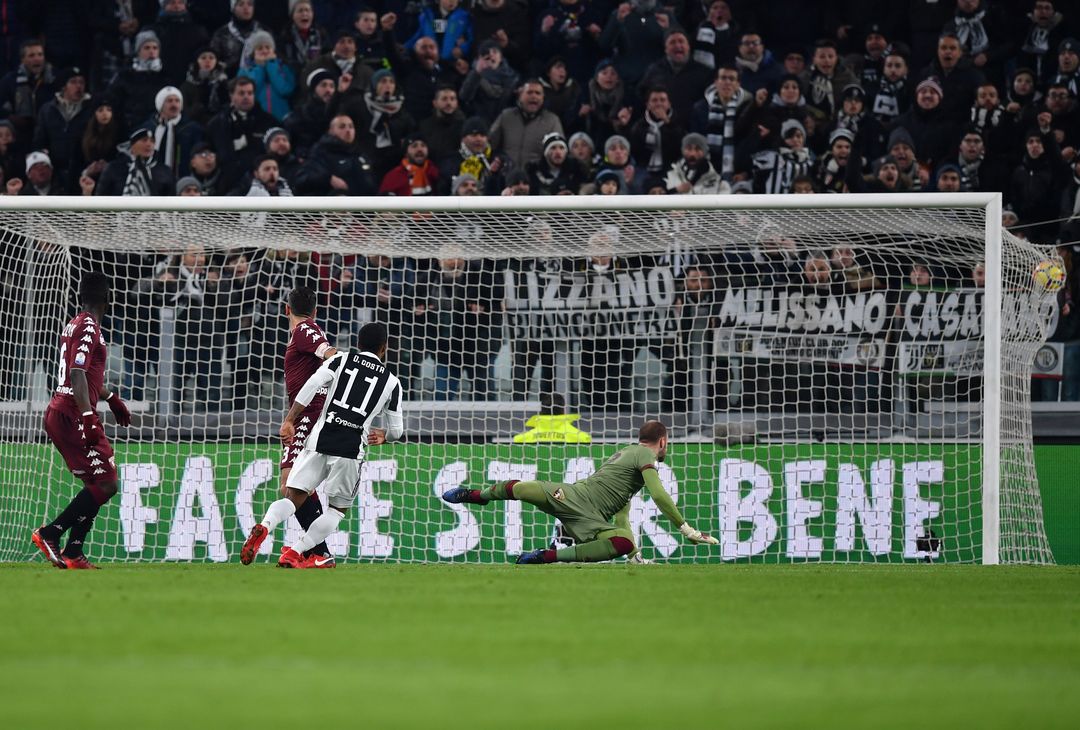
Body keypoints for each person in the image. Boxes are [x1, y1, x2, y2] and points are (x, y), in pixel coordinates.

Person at [241, 321, 404, 568]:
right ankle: (296, 552)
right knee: (337, 510)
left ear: (358, 345)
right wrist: (385, 437)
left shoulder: (340, 360)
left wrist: (289, 420)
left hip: (319, 439)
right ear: (385, 348)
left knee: (293, 496)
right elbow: (397, 430)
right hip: (350, 449)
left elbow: (313, 384)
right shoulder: (392, 382)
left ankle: (264, 526)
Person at [441, 420, 717, 563]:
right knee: (522, 488)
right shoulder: (645, 455)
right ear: (663, 441)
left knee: (623, 542)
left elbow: (622, 514)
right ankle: (474, 496)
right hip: (576, 496)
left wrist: (635, 556)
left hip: (591, 518)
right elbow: (659, 495)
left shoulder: (625, 458)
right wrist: (686, 529)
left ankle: (546, 557)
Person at [32, 273, 132, 569]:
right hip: (72, 413)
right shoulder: (89, 326)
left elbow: (85, 376)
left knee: (97, 482)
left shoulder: (78, 323)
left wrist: (111, 397)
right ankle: (50, 533)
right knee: (107, 484)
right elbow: (76, 374)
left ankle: (74, 552)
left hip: (65, 410)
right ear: (108, 298)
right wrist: (88, 416)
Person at [275, 286, 339, 568]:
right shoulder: (305, 331)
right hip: (304, 414)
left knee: (291, 485)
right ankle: (318, 552)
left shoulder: (305, 330)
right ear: (314, 309)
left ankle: (319, 552)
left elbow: (329, 353)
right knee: (291, 485)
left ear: (286, 309)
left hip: (308, 414)